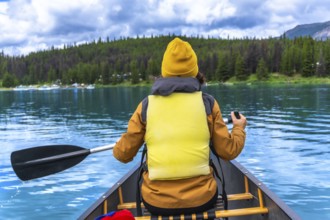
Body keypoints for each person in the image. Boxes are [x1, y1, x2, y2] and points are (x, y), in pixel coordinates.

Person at [113, 37, 247, 216]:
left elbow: (122, 154)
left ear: (165, 70)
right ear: (194, 69)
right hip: (202, 199)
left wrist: (123, 143)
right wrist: (239, 128)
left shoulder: (146, 106)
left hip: (156, 201)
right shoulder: (208, 104)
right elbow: (228, 151)